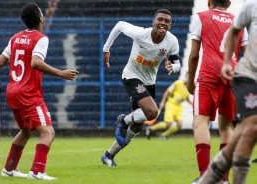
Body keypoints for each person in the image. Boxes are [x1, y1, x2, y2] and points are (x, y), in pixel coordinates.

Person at [0, 2, 78, 180]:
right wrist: (61, 73)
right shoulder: (41, 38)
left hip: (12, 92)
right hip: (28, 94)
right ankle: (37, 171)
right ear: (40, 18)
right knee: (48, 133)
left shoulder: (15, 38)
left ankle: (9, 169)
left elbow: (0, 61)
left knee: (26, 132)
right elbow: (35, 62)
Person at [101, 9, 181, 166]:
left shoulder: (172, 41)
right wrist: (106, 48)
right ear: (153, 22)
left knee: (136, 126)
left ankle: (108, 155)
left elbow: (177, 63)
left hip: (149, 83)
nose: (163, 23)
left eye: (167, 21)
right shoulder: (140, 33)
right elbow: (120, 25)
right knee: (152, 112)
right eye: (160, 19)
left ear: (170, 25)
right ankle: (123, 120)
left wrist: (173, 68)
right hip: (131, 76)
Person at [186, 0, 248, 183]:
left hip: (209, 75)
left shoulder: (201, 17)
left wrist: (190, 81)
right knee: (227, 127)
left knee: (200, 122)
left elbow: (194, 54)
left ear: (209, 2)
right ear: (228, 4)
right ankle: (223, 179)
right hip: (232, 75)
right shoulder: (239, 21)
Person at [146, 72, 192, 140]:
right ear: (185, 76)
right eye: (188, 77)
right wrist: (163, 101)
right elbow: (167, 92)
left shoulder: (189, 88)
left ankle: (163, 135)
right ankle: (151, 128)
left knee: (179, 124)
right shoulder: (178, 83)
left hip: (179, 107)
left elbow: (186, 98)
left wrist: (192, 104)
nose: (188, 79)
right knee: (168, 124)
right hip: (171, 104)